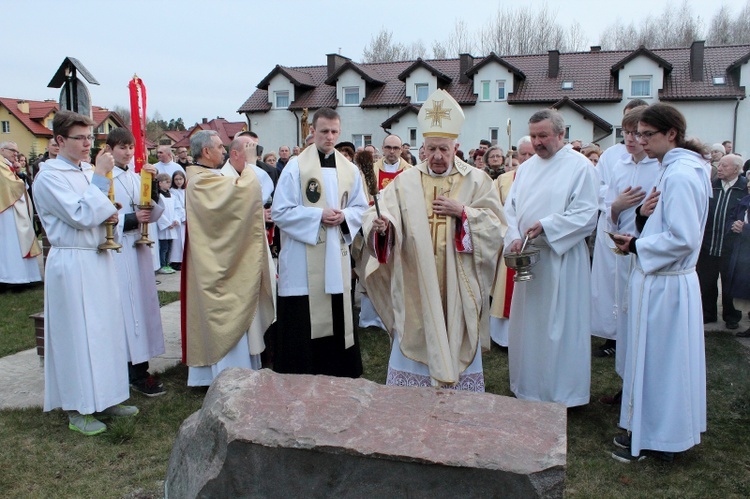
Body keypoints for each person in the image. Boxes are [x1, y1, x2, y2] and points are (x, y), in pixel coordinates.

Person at [363, 89, 505, 391]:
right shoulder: (406, 181)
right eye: (432, 149)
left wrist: (463, 213)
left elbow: (495, 226)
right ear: (423, 148)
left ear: (456, 147)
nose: (438, 156)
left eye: (444, 149)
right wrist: (383, 227)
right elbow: (382, 216)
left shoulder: (477, 181)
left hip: (458, 278)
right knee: (415, 325)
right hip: (416, 275)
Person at [612, 103, 709, 463]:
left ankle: (661, 439)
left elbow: (683, 238)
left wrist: (638, 245)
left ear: (671, 134)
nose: (640, 141)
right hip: (664, 281)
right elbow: (665, 226)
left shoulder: (681, 175)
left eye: (647, 134)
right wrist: (640, 225)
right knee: (659, 362)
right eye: (637, 134)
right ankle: (654, 431)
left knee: (664, 365)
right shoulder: (677, 169)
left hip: (666, 286)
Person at [33, 110, 138, 435]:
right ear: (60, 140)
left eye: (90, 138)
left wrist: (117, 217)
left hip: (98, 258)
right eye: (80, 138)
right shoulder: (49, 176)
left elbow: (105, 209)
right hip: (74, 262)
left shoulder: (85, 171)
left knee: (105, 331)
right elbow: (80, 214)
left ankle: (107, 397)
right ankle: (79, 408)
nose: (87, 144)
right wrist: (101, 179)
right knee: (78, 335)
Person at [504, 109, 598, 407]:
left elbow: (587, 215)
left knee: (560, 328)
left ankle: (562, 394)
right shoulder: (528, 168)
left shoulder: (580, 167)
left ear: (561, 134)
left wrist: (548, 226)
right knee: (528, 326)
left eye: (543, 136)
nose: (537, 142)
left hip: (562, 260)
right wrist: (513, 237)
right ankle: (527, 386)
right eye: (533, 136)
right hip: (529, 260)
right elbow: (510, 208)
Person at [272, 108, 368, 377]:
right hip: (304, 258)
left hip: (335, 256)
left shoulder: (349, 169)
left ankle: (340, 370)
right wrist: (318, 216)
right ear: (312, 131)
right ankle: (300, 370)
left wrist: (345, 216)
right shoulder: (295, 167)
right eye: (324, 131)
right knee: (304, 317)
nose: (329, 137)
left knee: (337, 307)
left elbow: (361, 208)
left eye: (334, 131)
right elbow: (280, 212)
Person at [182, 130, 275, 386]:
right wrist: (250, 166)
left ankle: (240, 366)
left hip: (223, 255)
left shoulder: (211, 177)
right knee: (222, 312)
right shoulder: (200, 180)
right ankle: (222, 374)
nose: (223, 152)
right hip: (215, 262)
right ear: (206, 152)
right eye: (220, 148)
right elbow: (245, 193)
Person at [589, 108, 661, 405]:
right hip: (619, 246)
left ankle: (639, 388)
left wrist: (638, 216)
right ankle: (625, 384)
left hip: (644, 252)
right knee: (622, 313)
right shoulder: (617, 163)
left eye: (637, 134)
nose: (630, 139)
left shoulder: (659, 167)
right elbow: (604, 200)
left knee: (640, 321)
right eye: (626, 133)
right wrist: (616, 208)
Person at [107, 127, 167, 397]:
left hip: (138, 250)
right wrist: (131, 220)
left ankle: (141, 367)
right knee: (126, 312)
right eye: (122, 147)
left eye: (131, 147)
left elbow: (150, 207)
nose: (128, 152)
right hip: (118, 251)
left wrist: (152, 187)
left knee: (142, 309)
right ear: (110, 149)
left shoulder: (135, 177)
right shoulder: (105, 178)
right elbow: (103, 212)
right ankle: (129, 371)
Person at [354, 134, 411, 330]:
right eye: (388, 147)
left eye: (396, 148)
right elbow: (362, 199)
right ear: (382, 148)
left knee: (396, 274)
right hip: (374, 229)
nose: (392, 152)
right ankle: (371, 318)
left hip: (398, 231)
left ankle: (396, 317)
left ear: (402, 149)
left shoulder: (410, 172)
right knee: (370, 272)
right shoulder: (369, 172)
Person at [489, 137, 532, 348]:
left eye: (530, 154)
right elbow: (493, 208)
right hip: (508, 238)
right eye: (522, 154)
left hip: (533, 239)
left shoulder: (544, 177)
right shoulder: (504, 179)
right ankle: (503, 337)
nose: (526, 158)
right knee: (505, 288)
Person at [697, 153, 746, 329]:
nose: (720, 168)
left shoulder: (743, 188)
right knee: (707, 281)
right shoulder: (713, 185)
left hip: (731, 246)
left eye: (724, 165)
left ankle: (731, 317)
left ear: (736, 169)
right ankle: (708, 313)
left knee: (729, 282)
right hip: (709, 242)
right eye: (720, 165)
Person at [0, 141, 41, 288]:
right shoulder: (1, 165)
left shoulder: (7, 165)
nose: (15, 154)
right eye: (12, 151)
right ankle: (12, 278)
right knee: (10, 243)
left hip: (13, 208)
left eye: (17, 151)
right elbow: (11, 185)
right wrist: (19, 177)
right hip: (7, 211)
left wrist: (18, 173)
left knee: (19, 241)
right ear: (2, 150)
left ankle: (24, 276)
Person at [155, 173, 178, 275]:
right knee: (163, 248)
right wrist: (167, 223)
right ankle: (162, 265)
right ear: (159, 183)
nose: (169, 184)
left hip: (172, 225)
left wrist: (175, 220)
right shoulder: (159, 196)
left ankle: (167, 264)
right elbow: (158, 211)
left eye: (169, 182)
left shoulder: (172, 196)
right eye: (166, 182)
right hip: (164, 226)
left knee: (169, 247)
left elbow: (176, 209)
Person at [169, 170, 187, 271]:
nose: (179, 182)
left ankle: (184, 260)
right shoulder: (173, 191)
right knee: (177, 242)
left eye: (180, 179)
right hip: (178, 219)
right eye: (176, 179)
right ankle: (176, 261)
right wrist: (182, 217)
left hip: (186, 218)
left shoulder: (186, 190)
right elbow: (177, 206)